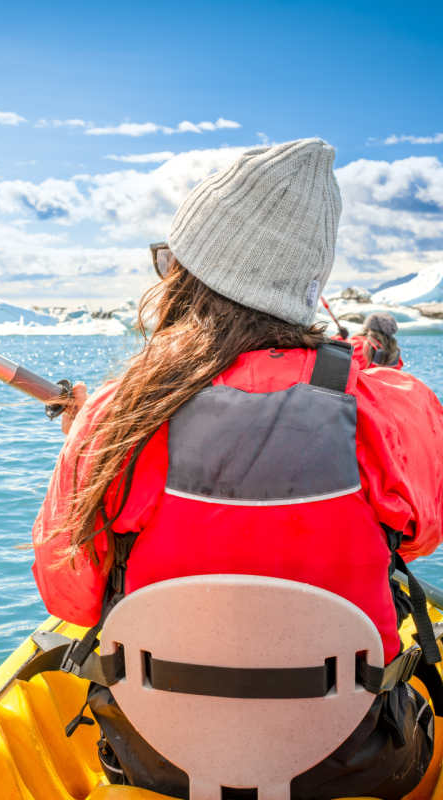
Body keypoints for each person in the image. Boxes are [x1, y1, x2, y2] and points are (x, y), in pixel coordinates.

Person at [31, 139, 443, 799]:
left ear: (190, 277)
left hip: (155, 759)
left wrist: (87, 436)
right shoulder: (387, 406)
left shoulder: (117, 415)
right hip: (355, 759)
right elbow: (418, 537)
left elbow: (71, 599)